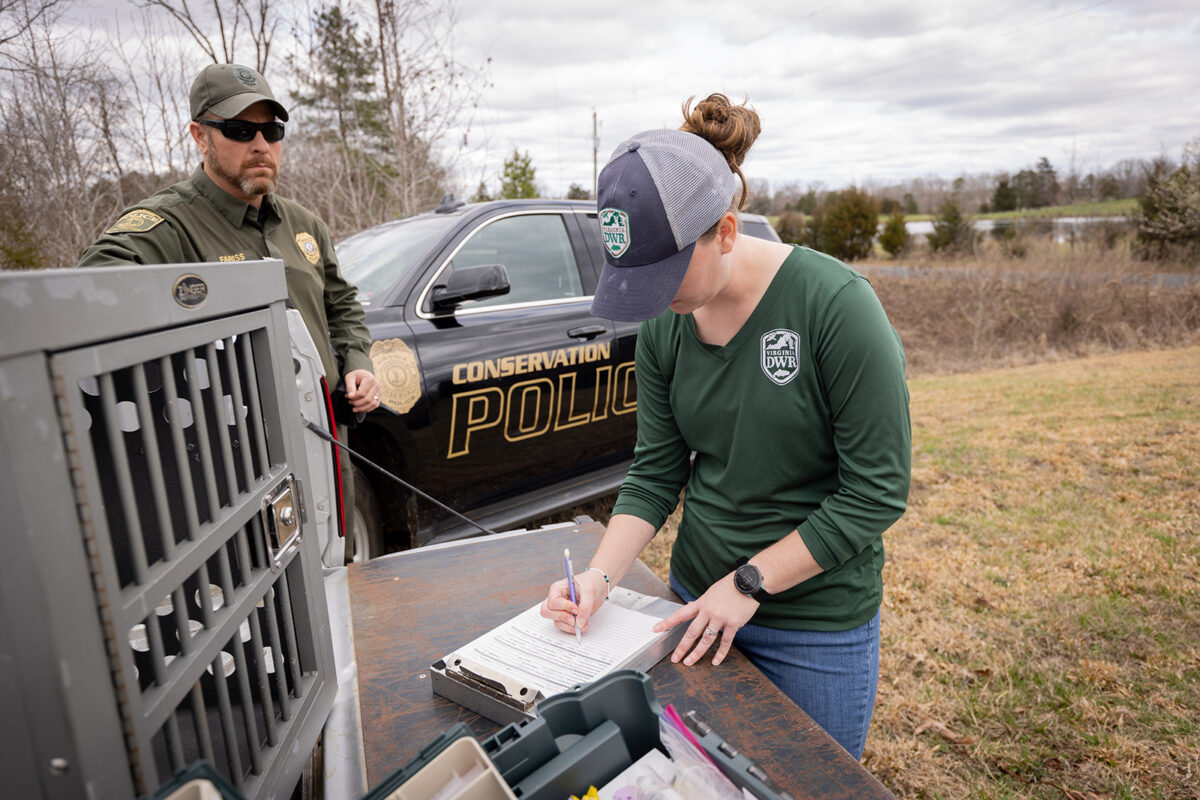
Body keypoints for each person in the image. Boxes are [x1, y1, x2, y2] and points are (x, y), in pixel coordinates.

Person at [540, 94, 911, 759]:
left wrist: (748, 584)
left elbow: (876, 492)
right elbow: (656, 472)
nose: (655, 301)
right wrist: (598, 579)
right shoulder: (667, 325)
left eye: (666, 276)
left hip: (812, 625)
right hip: (695, 608)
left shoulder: (837, 309)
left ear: (729, 232)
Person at [78, 63, 379, 560]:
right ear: (200, 136)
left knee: (333, 570)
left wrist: (357, 364)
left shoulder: (303, 224)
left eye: (272, 130)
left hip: (323, 443)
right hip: (237, 463)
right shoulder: (169, 225)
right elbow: (90, 293)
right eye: (240, 131)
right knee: (266, 600)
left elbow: (340, 304)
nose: (261, 145)